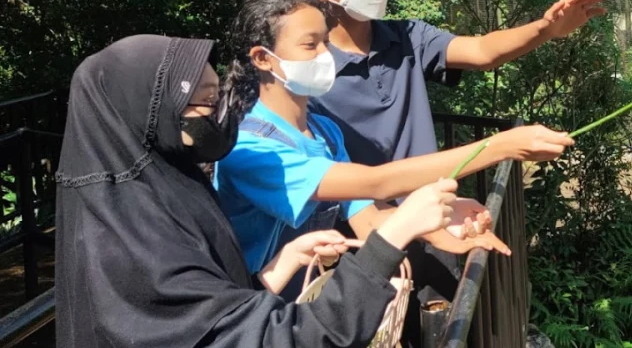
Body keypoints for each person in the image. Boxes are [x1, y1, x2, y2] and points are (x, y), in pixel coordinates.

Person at [282, 0, 605, 340]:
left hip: (438, 220)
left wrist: (547, 29)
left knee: (446, 322)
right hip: (358, 240)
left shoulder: (405, 37)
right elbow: (359, 187)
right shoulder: (306, 73)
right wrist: (501, 146)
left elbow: (481, 50)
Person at [55, 34, 458, 348]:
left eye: (217, 100)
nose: (217, 117)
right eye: (204, 104)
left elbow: (209, 315)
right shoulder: (126, 241)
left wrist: (274, 269)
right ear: (149, 113)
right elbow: (274, 339)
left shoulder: (169, 189)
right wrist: (392, 236)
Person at [214, 0, 569, 298]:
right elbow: (375, 182)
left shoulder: (323, 130)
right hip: (246, 308)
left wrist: (441, 227)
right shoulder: (249, 147)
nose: (325, 54)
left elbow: (368, 219)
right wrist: (499, 147)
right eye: (310, 45)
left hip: (298, 306)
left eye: (326, 41)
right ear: (262, 58)